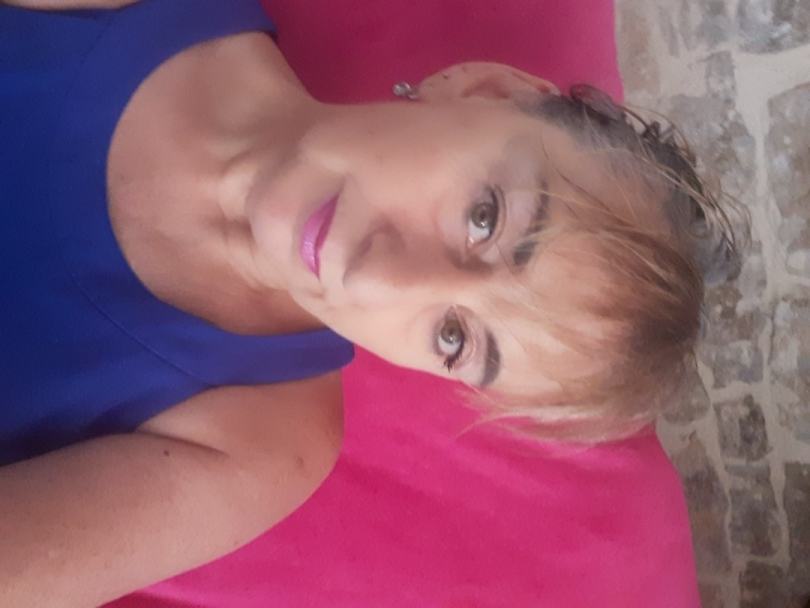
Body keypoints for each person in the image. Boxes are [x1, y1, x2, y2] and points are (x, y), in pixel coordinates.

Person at [0, 0, 741, 605]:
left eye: (454, 339)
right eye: (484, 218)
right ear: (486, 91)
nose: (381, 279)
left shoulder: (260, 444)